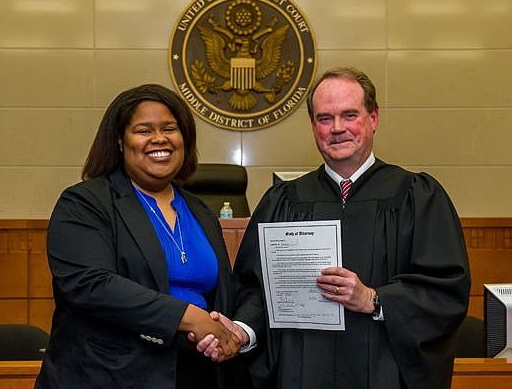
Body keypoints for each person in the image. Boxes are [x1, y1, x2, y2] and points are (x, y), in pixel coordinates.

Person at [199, 67, 471, 388]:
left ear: (374, 118)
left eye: (350, 115)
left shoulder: (417, 196)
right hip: (300, 371)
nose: (337, 128)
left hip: (382, 372)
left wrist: (373, 299)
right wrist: (242, 330)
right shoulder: (283, 201)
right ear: (313, 126)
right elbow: (257, 290)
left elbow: (444, 289)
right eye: (325, 118)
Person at [35, 84, 243, 389]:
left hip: (194, 372)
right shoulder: (85, 202)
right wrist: (189, 317)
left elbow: (223, 292)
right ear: (120, 141)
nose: (159, 139)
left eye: (170, 128)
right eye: (144, 130)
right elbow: (91, 285)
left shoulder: (199, 210)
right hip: (110, 374)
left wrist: (231, 331)